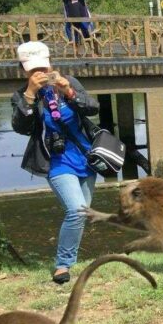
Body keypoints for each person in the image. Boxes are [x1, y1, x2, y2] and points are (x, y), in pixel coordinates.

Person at [11, 41, 99, 284]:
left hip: (85, 158)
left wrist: (69, 91)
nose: (39, 73)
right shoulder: (21, 95)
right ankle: (63, 265)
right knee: (76, 210)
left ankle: (71, 260)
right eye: (32, 70)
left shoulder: (68, 81)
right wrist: (29, 95)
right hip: (56, 162)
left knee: (82, 213)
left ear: (51, 63)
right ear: (23, 70)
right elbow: (21, 127)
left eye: (43, 67)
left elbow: (92, 107)